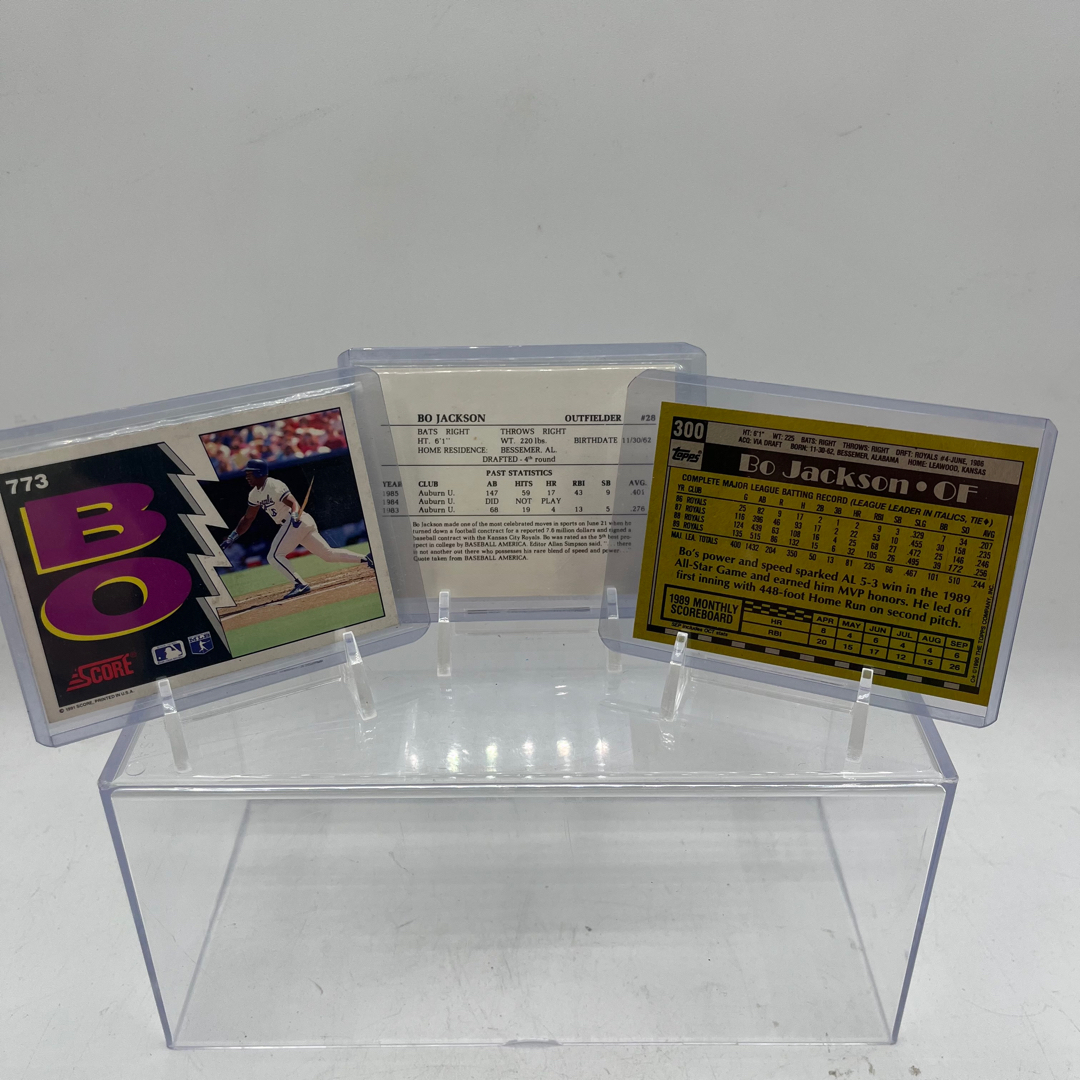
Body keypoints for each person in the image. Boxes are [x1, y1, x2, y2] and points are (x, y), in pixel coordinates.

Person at [223, 459, 373, 600]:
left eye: (249, 474)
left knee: (274, 556)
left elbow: (293, 503)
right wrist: (232, 536)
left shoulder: (274, 485)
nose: (247, 477)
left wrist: (295, 516)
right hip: (296, 523)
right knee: (328, 554)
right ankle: (367, 559)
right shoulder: (254, 494)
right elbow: (248, 518)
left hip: (295, 520)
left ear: (259, 473)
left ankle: (300, 584)